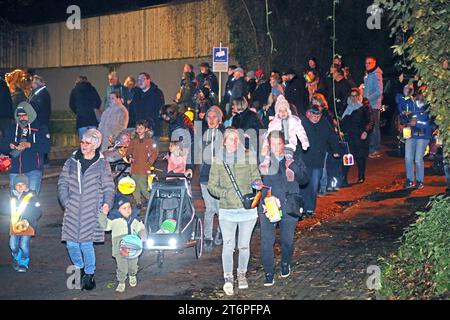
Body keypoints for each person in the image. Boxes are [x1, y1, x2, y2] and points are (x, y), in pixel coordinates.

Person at [58, 128, 115, 291]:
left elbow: (109, 186)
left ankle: (89, 274)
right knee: (71, 244)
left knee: (85, 244)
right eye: (82, 142)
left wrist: (106, 203)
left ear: (95, 145)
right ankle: (79, 267)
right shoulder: (71, 161)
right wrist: (66, 201)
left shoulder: (102, 164)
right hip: (72, 208)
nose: (83, 145)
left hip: (92, 210)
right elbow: (62, 183)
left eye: (87, 143)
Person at [207, 127, 261, 296]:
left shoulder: (248, 156)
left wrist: (257, 186)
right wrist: (224, 193)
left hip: (247, 210)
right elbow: (211, 186)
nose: (234, 142)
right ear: (224, 141)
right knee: (228, 246)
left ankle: (242, 274)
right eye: (230, 139)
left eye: (236, 139)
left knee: (244, 246)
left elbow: (256, 177)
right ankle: (228, 277)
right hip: (227, 210)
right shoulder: (218, 160)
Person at [258, 131, 308, 286]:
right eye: (272, 144)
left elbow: (304, 179)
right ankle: (268, 272)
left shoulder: (293, 158)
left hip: (289, 205)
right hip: (269, 204)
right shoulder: (262, 160)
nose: (275, 148)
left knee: (287, 240)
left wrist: (292, 165)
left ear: (283, 144)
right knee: (267, 241)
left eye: (278, 144)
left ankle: (285, 262)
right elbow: (253, 182)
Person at [0, 102, 51, 195]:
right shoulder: (11, 129)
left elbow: (46, 147)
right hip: (15, 170)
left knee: (30, 201)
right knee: (15, 202)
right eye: (19, 116)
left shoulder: (40, 128)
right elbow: (3, 147)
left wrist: (29, 145)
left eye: (24, 115)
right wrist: (10, 145)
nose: (21, 118)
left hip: (33, 170)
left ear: (30, 114)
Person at [99, 194, 146, 293]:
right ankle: (121, 281)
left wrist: (142, 236)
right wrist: (103, 214)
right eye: (124, 208)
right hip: (119, 249)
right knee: (122, 267)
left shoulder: (135, 219)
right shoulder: (114, 219)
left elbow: (141, 228)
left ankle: (132, 275)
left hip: (133, 247)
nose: (128, 210)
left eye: (129, 207)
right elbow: (104, 226)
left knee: (133, 265)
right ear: (118, 210)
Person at [300, 106, 340, 218]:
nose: (316, 118)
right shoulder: (303, 122)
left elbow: (332, 137)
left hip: (318, 159)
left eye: (318, 116)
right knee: (304, 184)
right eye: (314, 116)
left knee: (314, 185)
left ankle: (310, 208)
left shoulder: (324, 123)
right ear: (308, 114)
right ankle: (301, 208)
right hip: (305, 159)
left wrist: (335, 150)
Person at [200, 106, 225, 250]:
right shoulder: (203, 134)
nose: (211, 119)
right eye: (208, 117)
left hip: (220, 177)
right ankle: (208, 236)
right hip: (205, 176)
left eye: (214, 117)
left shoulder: (224, 135)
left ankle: (221, 233)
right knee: (209, 208)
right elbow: (194, 151)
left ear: (220, 120)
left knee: (220, 208)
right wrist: (189, 167)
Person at [401, 87, 435, 189]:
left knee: (418, 159)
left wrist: (417, 123)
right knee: (408, 157)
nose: (420, 96)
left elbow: (431, 124)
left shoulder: (430, 107)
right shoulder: (411, 104)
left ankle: (420, 181)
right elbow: (403, 116)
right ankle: (410, 180)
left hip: (423, 135)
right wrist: (404, 120)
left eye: (422, 94)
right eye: (419, 93)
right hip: (411, 134)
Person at [261, 95, 309, 163]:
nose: (283, 113)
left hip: (289, 143)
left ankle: (288, 165)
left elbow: (301, 132)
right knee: (269, 152)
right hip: (277, 145)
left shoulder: (293, 120)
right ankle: (266, 162)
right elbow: (269, 134)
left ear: (288, 111)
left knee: (288, 155)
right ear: (277, 112)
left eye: (285, 110)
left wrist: (304, 142)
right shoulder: (274, 122)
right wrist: (265, 145)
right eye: (280, 111)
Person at [340, 89, 374, 186]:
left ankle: (361, 176)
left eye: (355, 96)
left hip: (359, 136)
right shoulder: (347, 107)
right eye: (352, 96)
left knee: (360, 157)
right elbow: (342, 120)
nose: (354, 98)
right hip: (349, 136)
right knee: (347, 157)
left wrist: (366, 131)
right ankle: (344, 178)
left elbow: (370, 120)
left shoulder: (364, 107)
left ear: (359, 96)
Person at [9, 174, 42, 273]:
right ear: (14, 186)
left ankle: (24, 261)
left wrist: (30, 218)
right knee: (13, 245)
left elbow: (38, 210)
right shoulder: (11, 197)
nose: (20, 186)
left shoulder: (32, 197)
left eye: (22, 184)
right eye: (17, 184)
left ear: (27, 186)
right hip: (14, 226)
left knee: (24, 245)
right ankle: (16, 255)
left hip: (28, 225)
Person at [125, 120, 158, 209]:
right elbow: (128, 151)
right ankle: (138, 202)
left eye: (141, 128)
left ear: (146, 129)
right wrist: (129, 157)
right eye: (137, 128)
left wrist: (150, 161)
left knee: (143, 184)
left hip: (144, 167)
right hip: (135, 166)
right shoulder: (134, 141)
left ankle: (150, 199)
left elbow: (155, 152)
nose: (139, 130)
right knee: (135, 185)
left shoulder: (150, 141)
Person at [129, 72, 165, 145]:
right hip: (139, 131)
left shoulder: (157, 93)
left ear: (148, 80)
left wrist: (150, 126)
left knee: (152, 153)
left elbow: (159, 112)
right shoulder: (136, 95)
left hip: (152, 130)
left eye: (143, 79)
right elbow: (132, 112)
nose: (140, 81)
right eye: (138, 80)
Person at [363, 56, 383, 158]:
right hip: (367, 104)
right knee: (369, 126)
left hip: (374, 105)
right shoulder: (368, 75)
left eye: (369, 63)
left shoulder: (376, 75)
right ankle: (370, 148)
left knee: (374, 126)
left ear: (374, 63)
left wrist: (368, 99)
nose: (367, 65)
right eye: (366, 63)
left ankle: (375, 149)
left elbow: (379, 91)